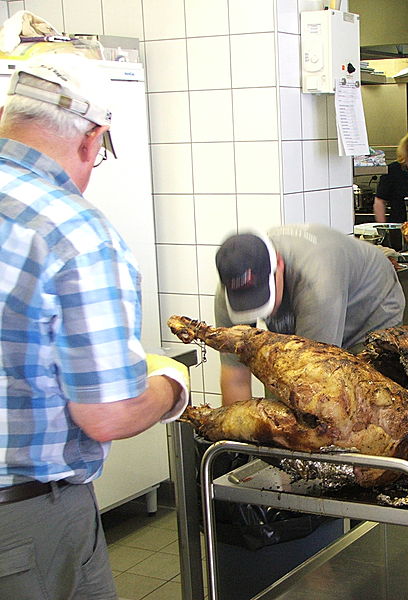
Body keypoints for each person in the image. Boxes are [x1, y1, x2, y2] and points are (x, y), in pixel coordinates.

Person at [0, 53, 189, 599]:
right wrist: (170, 385)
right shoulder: (73, 232)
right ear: (91, 140)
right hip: (24, 522)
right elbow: (107, 414)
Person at [214, 224, 405, 405]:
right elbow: (235, 377)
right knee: (280, 387)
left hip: (371, 306)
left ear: (278, 264)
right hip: (316, 302)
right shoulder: (230, 294)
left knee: (364, 399)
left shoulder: (316, 282)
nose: (268, 313)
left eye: (263, 297)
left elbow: (316, 382)